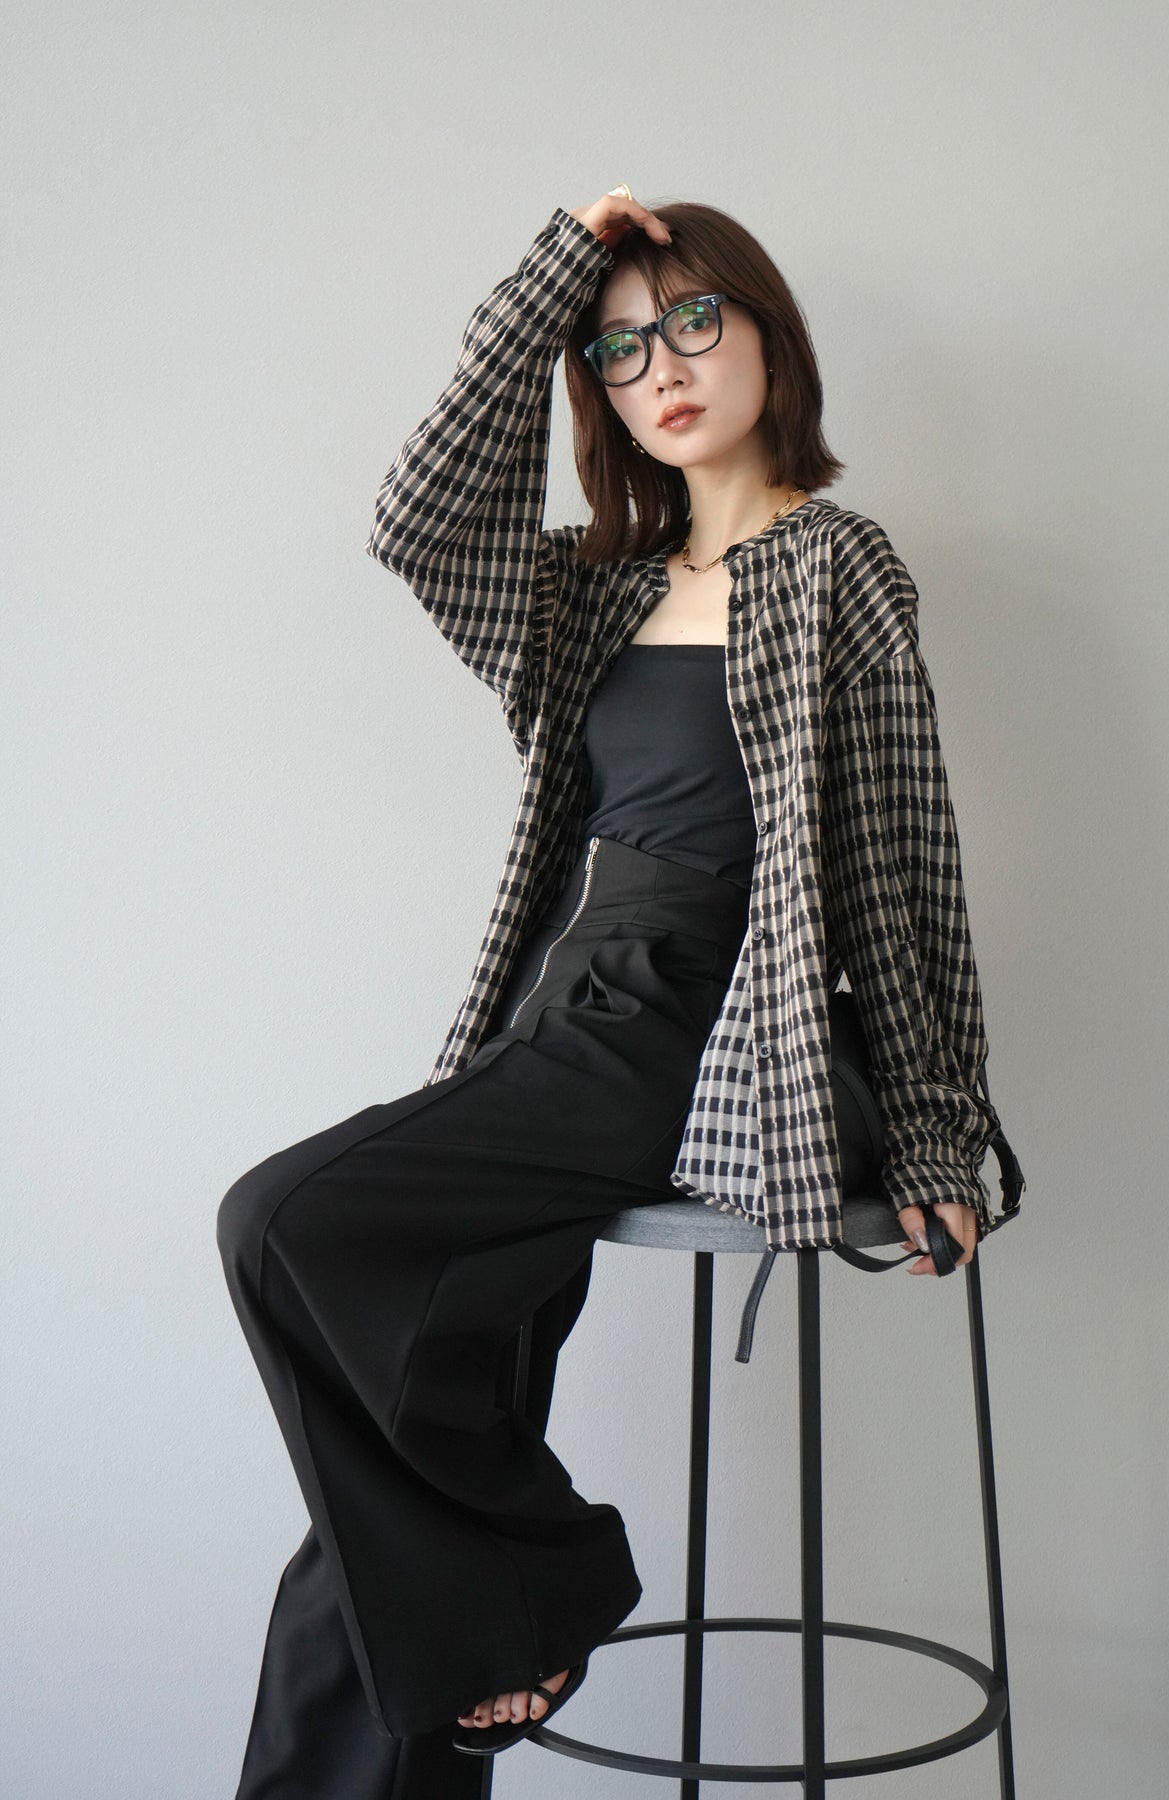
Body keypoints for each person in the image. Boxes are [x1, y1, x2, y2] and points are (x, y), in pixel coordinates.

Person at [215, 185, 1018, 1798]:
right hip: (551, 1018)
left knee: (280, 1220)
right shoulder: (594, 587)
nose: (663, 366)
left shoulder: (838, 567)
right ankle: (484, 1621)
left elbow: (898, 861)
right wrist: (553, 279)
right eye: (622, 345)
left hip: (696, 1024)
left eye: (694, 321)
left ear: (769, 336)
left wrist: (935, 1120)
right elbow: (415, 521)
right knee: (376, 1512)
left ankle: (543, 1578)